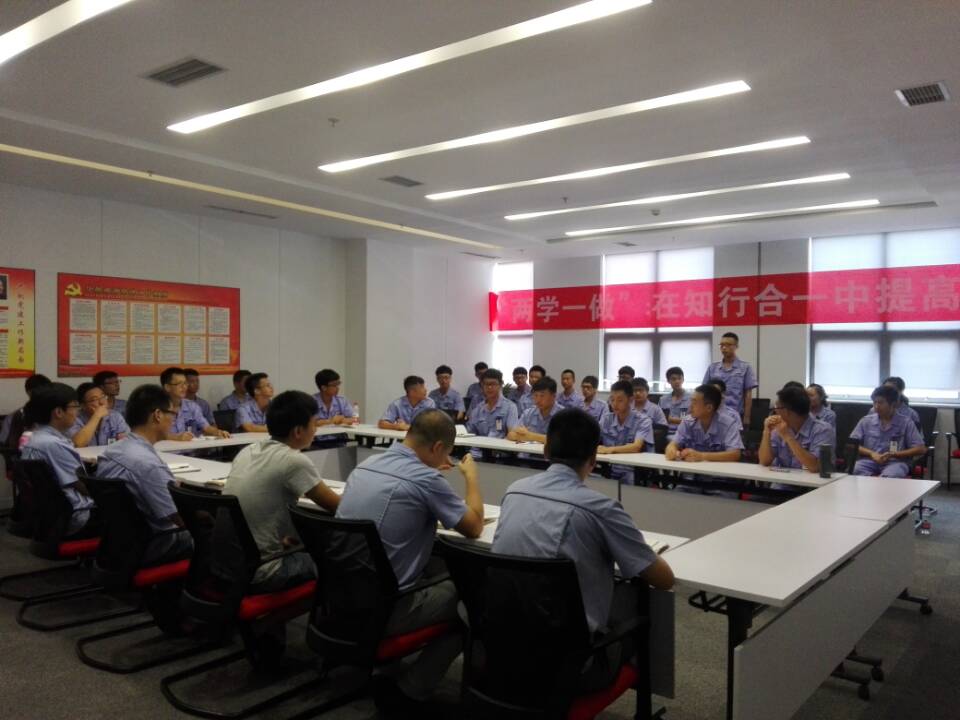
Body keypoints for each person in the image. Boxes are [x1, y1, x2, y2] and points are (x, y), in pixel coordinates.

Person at [493, 408, 673, 691]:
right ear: (593, 458)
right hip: (569, 665)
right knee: (633, 606)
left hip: (503, 646)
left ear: (546, 450)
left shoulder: (514, 490)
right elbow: (663, 579)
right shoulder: (601, 508)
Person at [337, 410, 484, 713]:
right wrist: (470, 478)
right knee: (474, 599)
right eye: (446, 453)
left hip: (341, 598)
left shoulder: (366, 466)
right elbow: (474, 526)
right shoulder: (426, 479)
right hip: (386, 609)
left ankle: (385, 670)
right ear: (437, 448)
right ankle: (413, 689)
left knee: (434, 566)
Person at [223, 391, 341, 590]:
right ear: (298, 431)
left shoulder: (248, 451)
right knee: (336, 560)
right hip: (263, 571)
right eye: (314, 424)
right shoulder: (293, 461)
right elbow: (338, 507)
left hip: (228, 566)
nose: (316, 430)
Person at [96, 384, 193, 564]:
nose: (174, 420)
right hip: (158, 543)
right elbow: (180, 518)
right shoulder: (148, 464)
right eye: (172, 414)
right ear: (158, 415)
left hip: (120, 544)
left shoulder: (111, 452)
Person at [20, 383, 97, 536]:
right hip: (78, 515)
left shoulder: (35, 438)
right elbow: (82, 486)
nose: (77, 412)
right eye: (75, 406)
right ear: (58, 412)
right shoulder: (53, 445)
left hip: (53, 515)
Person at [666, 384, 743, 495]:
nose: (690, 406)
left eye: (694, 402)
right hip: (691, 480)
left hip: (720, 481)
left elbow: (735, 454)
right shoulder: (687, 422)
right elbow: (673, 444)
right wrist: (672, 451)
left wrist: (701, 456)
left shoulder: (728, 424)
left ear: (709, 408)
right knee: (675, 499)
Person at [850, 385, 926, 477]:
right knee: (854, 469)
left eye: (881, 403)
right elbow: (852, 444)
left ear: (893, 404)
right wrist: (871, 453)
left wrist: (894, 454)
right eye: (874, 402)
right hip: (870, 461)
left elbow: (921, 449)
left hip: (895, 462)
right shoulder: (866, 421)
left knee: (891, 476)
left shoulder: (906, 423)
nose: (876, 406)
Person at [759, 386, 835, 473]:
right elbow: (764, 461)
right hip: (782, 480)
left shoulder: (823, 430)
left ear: (786, 411)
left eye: (777, 408)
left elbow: (815, 467)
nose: (775, 412)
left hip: (812, 481)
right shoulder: (780, 427)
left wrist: (788, 437)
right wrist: (766, 432)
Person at [597, 380, 653, 483]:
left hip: (632, 470)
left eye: (620, 400)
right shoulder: (606, 419)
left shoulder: (643, 420)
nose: (614, 404)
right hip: (609, 467)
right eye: (612, 400)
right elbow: (592, 438)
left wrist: (609, 449)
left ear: (630, 400)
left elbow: (636, 447)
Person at [702, 332, 758, 427]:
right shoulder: (713, 367)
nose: (724, 348)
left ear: (736, 346)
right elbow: (705, 391)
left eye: (728, 345)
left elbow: (748, 394)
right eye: (722, 345)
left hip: (736, 415)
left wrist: (747, 417)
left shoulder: (745, 367)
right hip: (714, 415)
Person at [161, 367, 230, 440]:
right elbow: (155, 436)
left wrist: (218, 432)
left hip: (192, 446)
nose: (184, 387)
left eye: (185, 383)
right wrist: (176, 438)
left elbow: (206, 427)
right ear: (167, 387)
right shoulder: (158, 408)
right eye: (179, 384)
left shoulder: (192, 406)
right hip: (165, 447)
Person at [464, 368, 519, 457]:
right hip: (477, 454)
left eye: (493, 384)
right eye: (486, 384)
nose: (489, 387)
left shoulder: (510, 407)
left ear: (500, 385)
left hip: (500, 455)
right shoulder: (478, 409)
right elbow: (469, 433)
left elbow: (512, 436)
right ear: (482, 386)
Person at [68, 382, 130, 448]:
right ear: (83, 405)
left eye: (103, 397)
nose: (102, 402)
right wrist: (96, 416)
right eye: (94, 399)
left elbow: (128, 441)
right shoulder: (74, 419)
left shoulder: (115, 416)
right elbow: (77, 444)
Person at [0, 373, 51, 449]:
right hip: (22, 453)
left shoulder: (55, 413)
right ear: (29, 392)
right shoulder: (16, 416)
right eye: (38, 391)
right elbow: (4, 444)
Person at [508, 376, 561, 445]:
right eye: (535, 395)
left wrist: (530, 436)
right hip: (527, 451)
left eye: (542, 396)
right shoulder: (528, 413)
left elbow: (562, 441)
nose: (538, 400)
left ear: (553, 396)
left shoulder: (563, 415)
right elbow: (511, 435)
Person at [659, 366, 691, 439]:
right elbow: (659, 419)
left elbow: (693, 421)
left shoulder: (692, 399)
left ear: (683, 380)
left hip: (685, 434)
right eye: (673, 379)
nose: (677, 381)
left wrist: (671, 419)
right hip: (665, 433)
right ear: (668, 381)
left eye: (679, 378)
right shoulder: (663, 399)